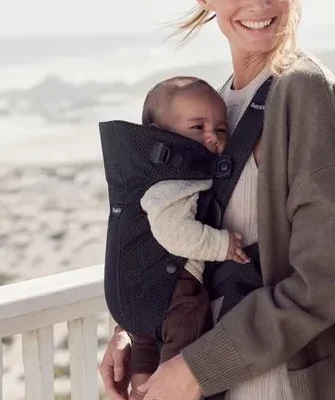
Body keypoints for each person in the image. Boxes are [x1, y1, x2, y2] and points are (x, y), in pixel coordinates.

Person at [100, 0, 335, 399]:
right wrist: (137, 328)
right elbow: (181, 238)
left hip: (277, 384)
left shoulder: (303, 92)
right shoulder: (218, 105)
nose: (258, 4)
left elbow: (320, 282)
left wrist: (193, 369)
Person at [104, 76, 253, 398]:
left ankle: (143, 391)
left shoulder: (146, 178)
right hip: (171, 291)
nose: (212, 137)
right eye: (197, 128)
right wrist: (222, 244)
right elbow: (175, 234)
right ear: (161, 136)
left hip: (136, 300)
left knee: (145, 352)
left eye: (221, 129)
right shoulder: (174, 182)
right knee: (190, 326)